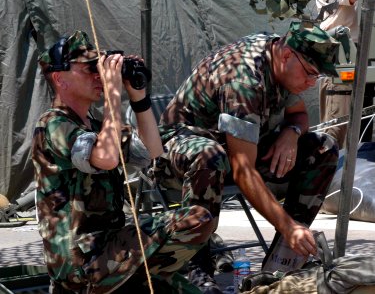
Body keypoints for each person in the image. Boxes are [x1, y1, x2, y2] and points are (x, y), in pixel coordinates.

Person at [154, 21, 340, 293]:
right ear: (287, 55)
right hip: (180, 156)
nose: (311, 83)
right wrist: (287, 225)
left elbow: (299, 114)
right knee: (210, 155)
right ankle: (193, 266)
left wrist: (292, 132)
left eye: (317, 78)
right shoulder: (245, 79)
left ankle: (282, 264)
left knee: (323, 147)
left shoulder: (283, 63)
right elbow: (243, 171)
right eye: (309, 74)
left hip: (231, 153)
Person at [32, 30, 215, 293]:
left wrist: (138, 97)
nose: (99, 76)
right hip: (80, 263)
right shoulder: (52, 124)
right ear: (60, 78)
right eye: (89, 69)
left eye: (100, 68)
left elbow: (151, 149)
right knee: (193, 219)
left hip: (110, 251)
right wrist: (112, 96)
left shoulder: (97, 125)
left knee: (197, 228)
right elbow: (105, 158)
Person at [317, 0, 373, 148]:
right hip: (341, 53)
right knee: (336, 129)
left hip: (365, 51)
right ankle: (330, 168)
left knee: (363, 127)